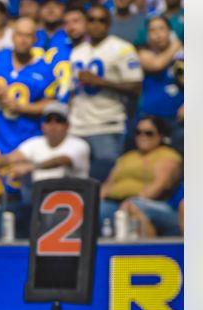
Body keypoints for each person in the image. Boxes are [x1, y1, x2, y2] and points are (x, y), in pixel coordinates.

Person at [0, 17, 68, 155]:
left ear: (35, 39)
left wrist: (23, 107)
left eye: (28, 36)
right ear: (12, 36)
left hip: (25, 139)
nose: (23, 40)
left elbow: (51, 103)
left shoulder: (45, 70)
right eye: (19, 34)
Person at [68, 5, 142, 182]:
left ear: (109, 24)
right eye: (91, 20)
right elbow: (74, 91)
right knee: (76, 183)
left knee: (105, 180)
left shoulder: (122, 48)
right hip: (78, 125)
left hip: (107, 125)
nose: (96, 25)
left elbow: (136, 88)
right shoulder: (77, 52)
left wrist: (101, 82)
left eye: (101, 20)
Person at [99, 117, 182, 238]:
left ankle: (147, 251)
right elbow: (109, 183)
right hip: (116, 202)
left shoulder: (167, 155)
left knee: (134, 207)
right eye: (138, 132)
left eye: (149, 133)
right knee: (98, 210)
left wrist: (134, 201)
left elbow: (160, 185)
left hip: (156, 204)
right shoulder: (127, 157)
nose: (143, 136)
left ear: (160, 136)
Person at [0, 101, 90, 185]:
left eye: (59, 120)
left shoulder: (79, 144)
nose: (53, 125)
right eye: (48, 120)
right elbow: (12, 157)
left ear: (67, 126)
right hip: (41, 198)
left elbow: (62, 160)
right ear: (42, 126)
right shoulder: (35, 142)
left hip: (71, 198)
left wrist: (30, 167)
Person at [138, 16, 183, 125]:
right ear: (147, 36)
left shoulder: (182, 55)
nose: (158, 35)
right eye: (152, 30)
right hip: (150, 118)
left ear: (170, 32)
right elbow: (157, 64)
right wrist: (175, 45)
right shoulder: (143, 53)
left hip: (177, 119)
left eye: (161, 29)